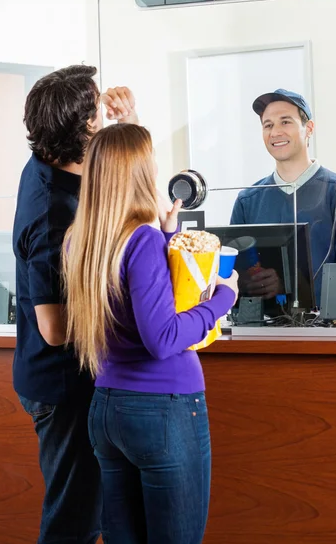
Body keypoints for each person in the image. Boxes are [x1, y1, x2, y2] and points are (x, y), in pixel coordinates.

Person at [62, 122, 238, 544]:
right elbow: (162, 337)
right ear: (140, 171)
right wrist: (221, 301)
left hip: (107, 410)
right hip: (163, 409)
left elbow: (135, 298)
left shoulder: (80, 241)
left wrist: (167, 237)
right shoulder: (140, 239)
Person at [12, 64, 138, 544]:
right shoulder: (51, 214)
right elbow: (56, 327)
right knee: (75, 521)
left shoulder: (49, 160)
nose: (104, 107)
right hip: (60, 385)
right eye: (96, 105)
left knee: (93, 511)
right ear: (84, 127)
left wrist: (123, 126)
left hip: (65, 379)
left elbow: (110, 177)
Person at [230, 88, 336, 305]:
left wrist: (289, 286)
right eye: (268, 125)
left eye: (285, 122)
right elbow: (235, 280)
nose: (275, 132)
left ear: (309, 128)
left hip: (325, 333)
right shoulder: (248, 200)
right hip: (262, 333)